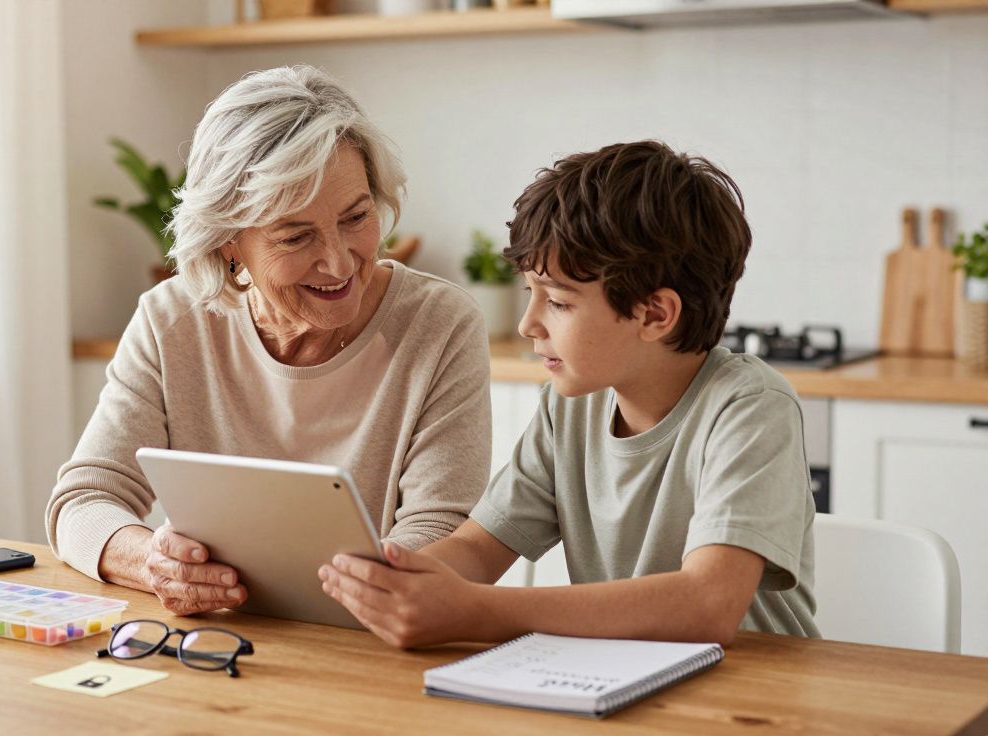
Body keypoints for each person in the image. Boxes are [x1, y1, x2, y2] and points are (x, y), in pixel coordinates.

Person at [320, 140, 820, 648]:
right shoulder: (569, 406)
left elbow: (707, 605)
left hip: (753, 701)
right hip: (616, 685)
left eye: (557, 301)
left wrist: (476, 611)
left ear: (654, 315)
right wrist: (391, 581)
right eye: (529, 293)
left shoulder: (750, 408)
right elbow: (475, 551)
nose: (527, 324)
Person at [46, 65, 492, 616]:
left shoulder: (439, 325)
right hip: (210, 645)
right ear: (228, 241)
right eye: (295, 236)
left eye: (356, 217)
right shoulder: (171, 321)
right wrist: (153, 561)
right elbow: (84, 499)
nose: (338, 260)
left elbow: (442, 536)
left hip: (373, 645)